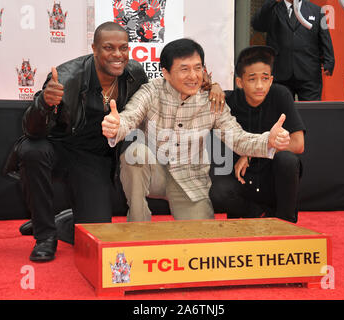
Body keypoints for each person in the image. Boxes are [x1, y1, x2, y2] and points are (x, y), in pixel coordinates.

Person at [3, 22, 149, 262]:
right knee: (32, 150)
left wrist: (211, 86)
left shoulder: (134, 74)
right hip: (58, 146)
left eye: (123, 47)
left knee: (97, 236)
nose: (117, 55)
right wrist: (44, 104)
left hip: (94, 158)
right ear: (94, 49)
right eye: (108, 47)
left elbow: (160, 94)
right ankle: (44, 235)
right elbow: (32, 130)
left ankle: (60, 221)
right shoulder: (67, 77)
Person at [101, 38, 291, 222]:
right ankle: (138, 223)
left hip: (189, 181)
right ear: (166, 73)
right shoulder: (151, 91)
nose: (193, 76)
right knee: (135, 153)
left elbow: (238, 139)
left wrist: (268, 141)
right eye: (184, 69)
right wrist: (116, 126)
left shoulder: (212, 100)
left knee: (203, 243)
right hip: (153, 174)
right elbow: (130, 117)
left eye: (197, 68)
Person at [210, 45, 306, 223]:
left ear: (271, 80)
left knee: (288, 160)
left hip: (271, 176)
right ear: (240, 82)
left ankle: (286, 223)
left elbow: (298, 144)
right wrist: (213, 86)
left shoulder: (281, 95)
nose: (260, 86)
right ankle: (253, 214)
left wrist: (253, 153)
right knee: (218, 190)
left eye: (265, 79)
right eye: (252, 79)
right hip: (241, 178)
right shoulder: (228, 101)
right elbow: (196, 94)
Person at [251, 0, 335, 101]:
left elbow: (325, 36)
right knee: (282, 112)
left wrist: (329, 60)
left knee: (312, 113)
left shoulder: (318, 10)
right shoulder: (273, 9)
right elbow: (257, 24)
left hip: (309, 72)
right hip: (280, 72)